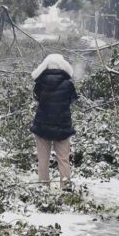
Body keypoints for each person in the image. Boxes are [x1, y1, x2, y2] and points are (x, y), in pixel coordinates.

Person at [30, 53, 78, 190]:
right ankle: (66, 188)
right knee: (63, 158)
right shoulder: (68, 84)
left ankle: (44, 187)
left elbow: (37, 98)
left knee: (43, 159)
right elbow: (72, 100)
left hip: (42, 126)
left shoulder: (39, 83)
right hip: (63, 126)